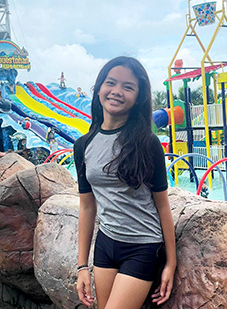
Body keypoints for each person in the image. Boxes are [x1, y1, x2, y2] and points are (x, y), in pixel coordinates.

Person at [75, 56, 176, 308]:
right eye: (111, 83)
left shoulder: (148, 143)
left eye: (128, 87)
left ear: (139, 97)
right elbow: (87, 207)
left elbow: (162, 205)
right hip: (106, 244)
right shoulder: (83, 145)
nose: (117, 91)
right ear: (99, 88)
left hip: (142, 246)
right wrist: (81, 266)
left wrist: (170, 264)